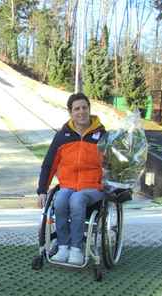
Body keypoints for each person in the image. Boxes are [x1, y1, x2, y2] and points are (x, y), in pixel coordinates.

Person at [36, 93, 105, 265]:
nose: (81, 112)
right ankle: (63, 246)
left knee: (77, 199)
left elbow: (112, 164)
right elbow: (49, 164)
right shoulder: (62, 136)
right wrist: (42, 190)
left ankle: (76, 248)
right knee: (59, 201)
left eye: (84, 107)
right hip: (68, 185)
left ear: (89, 109)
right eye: (77, 109)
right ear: (70, 113)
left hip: (93, 187)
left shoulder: (102, 136)